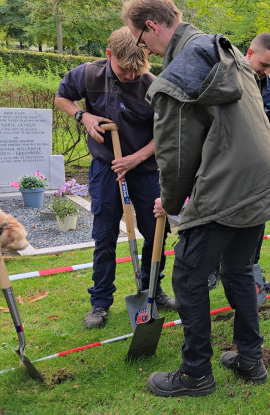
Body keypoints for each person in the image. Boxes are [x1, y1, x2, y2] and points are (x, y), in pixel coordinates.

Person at [122, 0, 270, 397]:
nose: (145, 49)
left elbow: (175, 151)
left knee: (188, 277)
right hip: (262, 182)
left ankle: (195, 372)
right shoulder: (224, 47)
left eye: (143, 41)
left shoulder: (182, 69)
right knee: (237, 271)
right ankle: (251, 359)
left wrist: (173, 200)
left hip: (229, 186)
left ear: (152, 26)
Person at [54, 27, 177, 329]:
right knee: (105, 233)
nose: (132, 76)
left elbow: (167, 133)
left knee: (156, 230)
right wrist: (84, 116)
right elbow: (62, 97)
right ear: (109, 55)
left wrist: (136, 158)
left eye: (138, 70)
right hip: (106, 166)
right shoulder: (88, 75)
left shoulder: (154, 86)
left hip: (144, 167)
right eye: (125, 70)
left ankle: (152, 290)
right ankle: (100, 302)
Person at [208, 33, 270, 295]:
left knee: (256, 221)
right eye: (264, 65)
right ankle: (211, 269)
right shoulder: (225, 76)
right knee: (217, 219)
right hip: (224, 168)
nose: (267, 72)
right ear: (249, 54)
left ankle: (252, 272)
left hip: (256, 172)